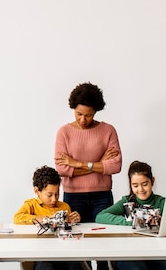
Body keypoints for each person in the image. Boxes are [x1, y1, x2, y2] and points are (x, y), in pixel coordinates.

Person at [55, 82, 122, 270]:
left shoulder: (108, 130)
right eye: (79, 114)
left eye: (89, 115)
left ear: (96, 111)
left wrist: (77, 164)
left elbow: (115, 165)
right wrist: (99, 163)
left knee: (104, 247)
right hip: (73, 197)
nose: (83, 120)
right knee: (77, 248)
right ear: (73, 109)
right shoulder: (64, 132)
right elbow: (61, 169)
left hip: (102, 197)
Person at [96, 161, 166, 270]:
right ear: (130, 184)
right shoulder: (127, 201)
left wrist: (163, 222)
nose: (140, 189)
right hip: (129, 252)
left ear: (152, 181)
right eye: (135, 185)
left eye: (145, 184)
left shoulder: (161, 202)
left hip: (155, 252)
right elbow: (100, 216)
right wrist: (131, 221)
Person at [14, 166, 84, 270]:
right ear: (37, 191)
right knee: (44, 267)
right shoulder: (31, 205)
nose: (54, 199)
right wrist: (48, 219)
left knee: (75, 265)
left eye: (57, 194)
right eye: (49, 195)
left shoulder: (64, 207)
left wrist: (73, 220)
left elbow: (69, 229)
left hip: (64, 253)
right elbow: (18, 218)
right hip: (42, 253)